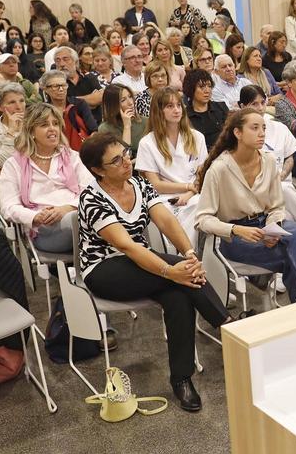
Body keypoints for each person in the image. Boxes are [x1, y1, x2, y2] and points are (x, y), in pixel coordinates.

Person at [78, 132, 229, 411]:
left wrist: (189, 255)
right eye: (116, 160)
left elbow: (167, 221)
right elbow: (127, 247)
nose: (126, 161)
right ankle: (230, 330)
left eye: (125, 153)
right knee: (178, 281)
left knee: (178, 296)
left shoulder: (139, 184)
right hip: (104, 268)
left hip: (144, 264)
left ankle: (182, 379)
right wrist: (171, 272)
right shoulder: (91, 198)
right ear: (98, 170)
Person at [196, 109, 296, 303]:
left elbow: (276, 207)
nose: (262, 133)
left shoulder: (269, 160)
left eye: (263, 127)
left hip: (266, 226)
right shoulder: (219, 169)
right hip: (233, 238)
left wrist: (273, 229)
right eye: (254, 128)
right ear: (237, 133)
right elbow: (203, 219)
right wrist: (237, 230)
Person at [0, 103, 93, 253]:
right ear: (31, 131)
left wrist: (67, 208)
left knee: (87, 216)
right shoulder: (13, 164)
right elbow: (9, 207)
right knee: (85, 220)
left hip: (78, 216)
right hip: (44, 231)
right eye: (44, 124)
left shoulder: (72, 157)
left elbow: (90, 192)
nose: (52, 129)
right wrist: (36, 217)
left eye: (55, 123)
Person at [238, 85, 296, 231]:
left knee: (288, 219)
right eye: (254, 104)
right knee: (282, 191)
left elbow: (290, 157)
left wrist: (282, 175)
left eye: (263, 102)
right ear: (242, 106)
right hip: (256, 190)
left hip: (283, 186)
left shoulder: (279, 128)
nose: (260, 108)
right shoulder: (239, 134)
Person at [136, 87, 207, 232]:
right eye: (170, 106)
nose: (176, 110)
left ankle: (192, 252)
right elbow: (155, 185)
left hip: (194, 194)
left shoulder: (197, 137)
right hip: (164, 199)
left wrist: (190, 193)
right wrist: (187, 187)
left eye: (179, 105)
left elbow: (203, 176)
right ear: (158, 111)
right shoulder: (147, 142)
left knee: (201, 205)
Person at [40, 69, 97, 150]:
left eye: (63, 85)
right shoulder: (42, 109)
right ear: (45, 89)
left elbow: (93, 130)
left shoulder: (79, 104)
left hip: (80, 150)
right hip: (53, 149)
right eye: (56, 86)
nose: (61, 89)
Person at [98, 83, 147, 157]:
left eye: (130, 97)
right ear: (113, 105)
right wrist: (127, 126)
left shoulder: (146, 121)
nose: (130, 103)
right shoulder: (105, 129)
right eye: (123, 100)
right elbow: (124, 156)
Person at [182, 69, 228, 148]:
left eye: (209, 86)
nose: (207, 91)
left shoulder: (221, 107)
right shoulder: (185, 115)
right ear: (191, 89)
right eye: (201, 87)